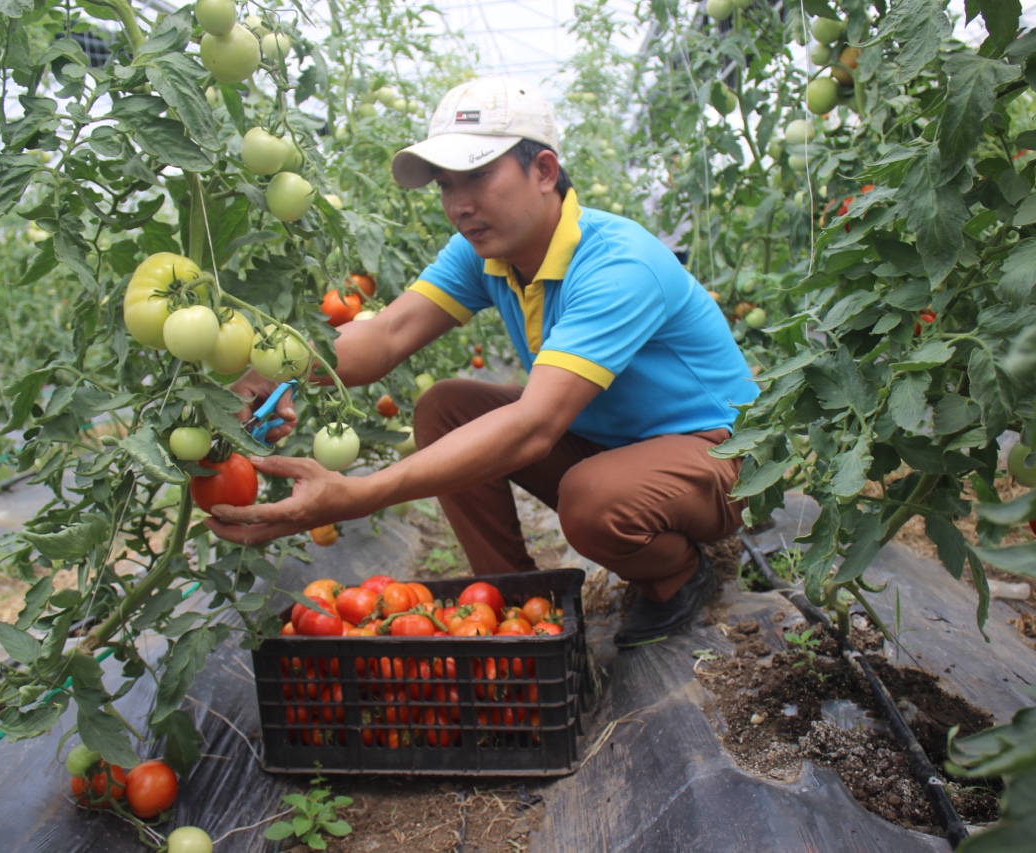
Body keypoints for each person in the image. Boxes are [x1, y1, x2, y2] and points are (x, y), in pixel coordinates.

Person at [208, 75, 758, 648]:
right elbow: (389, 333)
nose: (458, 205)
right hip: (612, 443)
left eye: (478, 176)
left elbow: (534, 426)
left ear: (544, 171)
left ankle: (677, 575)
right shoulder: (485, 253)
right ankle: (518, 603)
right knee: (446, 407)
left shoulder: (618, 265)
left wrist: (360, 492)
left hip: (718, 453)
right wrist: (279, 368)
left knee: (594, 500)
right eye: (446, 185)